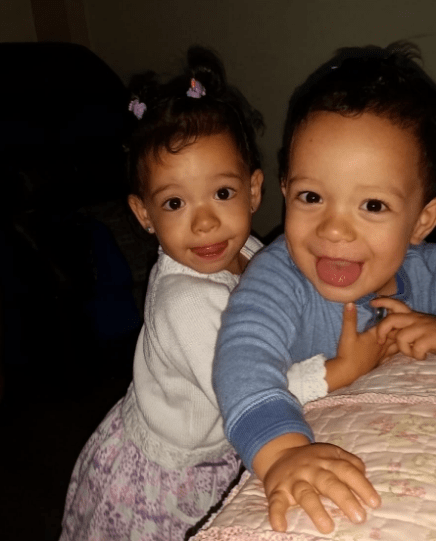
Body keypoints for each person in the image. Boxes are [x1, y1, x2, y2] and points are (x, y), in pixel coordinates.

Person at [59, 46, 350, 541]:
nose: (205, 222)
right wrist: (344, 367)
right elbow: (248, 385)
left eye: (222, 193)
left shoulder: (250, 249)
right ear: (144, 214)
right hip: (167, 472)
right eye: (175, 202)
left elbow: (285, 311)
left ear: (253, 191)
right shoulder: (187, 301)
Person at [213, 40, 436, 536]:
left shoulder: (424, 269)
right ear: (285, 188)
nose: (334, 229)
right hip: (233, 439)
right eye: (311, 196)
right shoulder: (279, 278)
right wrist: (283, 452)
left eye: (372, 206)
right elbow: (241, 361)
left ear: (422, 220)